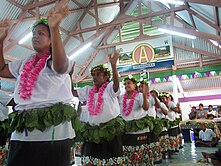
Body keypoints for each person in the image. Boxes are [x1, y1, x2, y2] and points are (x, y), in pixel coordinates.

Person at [0, 4, 78, 166]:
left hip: (51, 136)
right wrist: (0, 40)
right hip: (22, 134)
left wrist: (54, 27)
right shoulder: (23, 63)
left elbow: (61, 67)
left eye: (41, 33)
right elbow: (1, 69)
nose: (35, 36)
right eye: (33, 34)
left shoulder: (59, 61)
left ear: (51, 40)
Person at [72, 52, 125, 165]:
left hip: (110, 132)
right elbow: (72, 92)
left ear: (106, 77)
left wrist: (114, 66)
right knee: (91, 159)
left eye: (98, 74)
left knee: (111, 159)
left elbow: (116, 86)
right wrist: (68, 75)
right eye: (93, 75)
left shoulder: (109, 88)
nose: (94, 77)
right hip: (92, 132)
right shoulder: (88, 90)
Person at [120, 75, 152, 165]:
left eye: (129, 83)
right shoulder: (121, 97)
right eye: (125, 84)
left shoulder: (140, 96)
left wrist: (145, 95)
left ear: (135, 85)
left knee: (141, 153)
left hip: (139, 129)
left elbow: (146, 108)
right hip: (126, 130)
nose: (127, 85)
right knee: (127, 153)